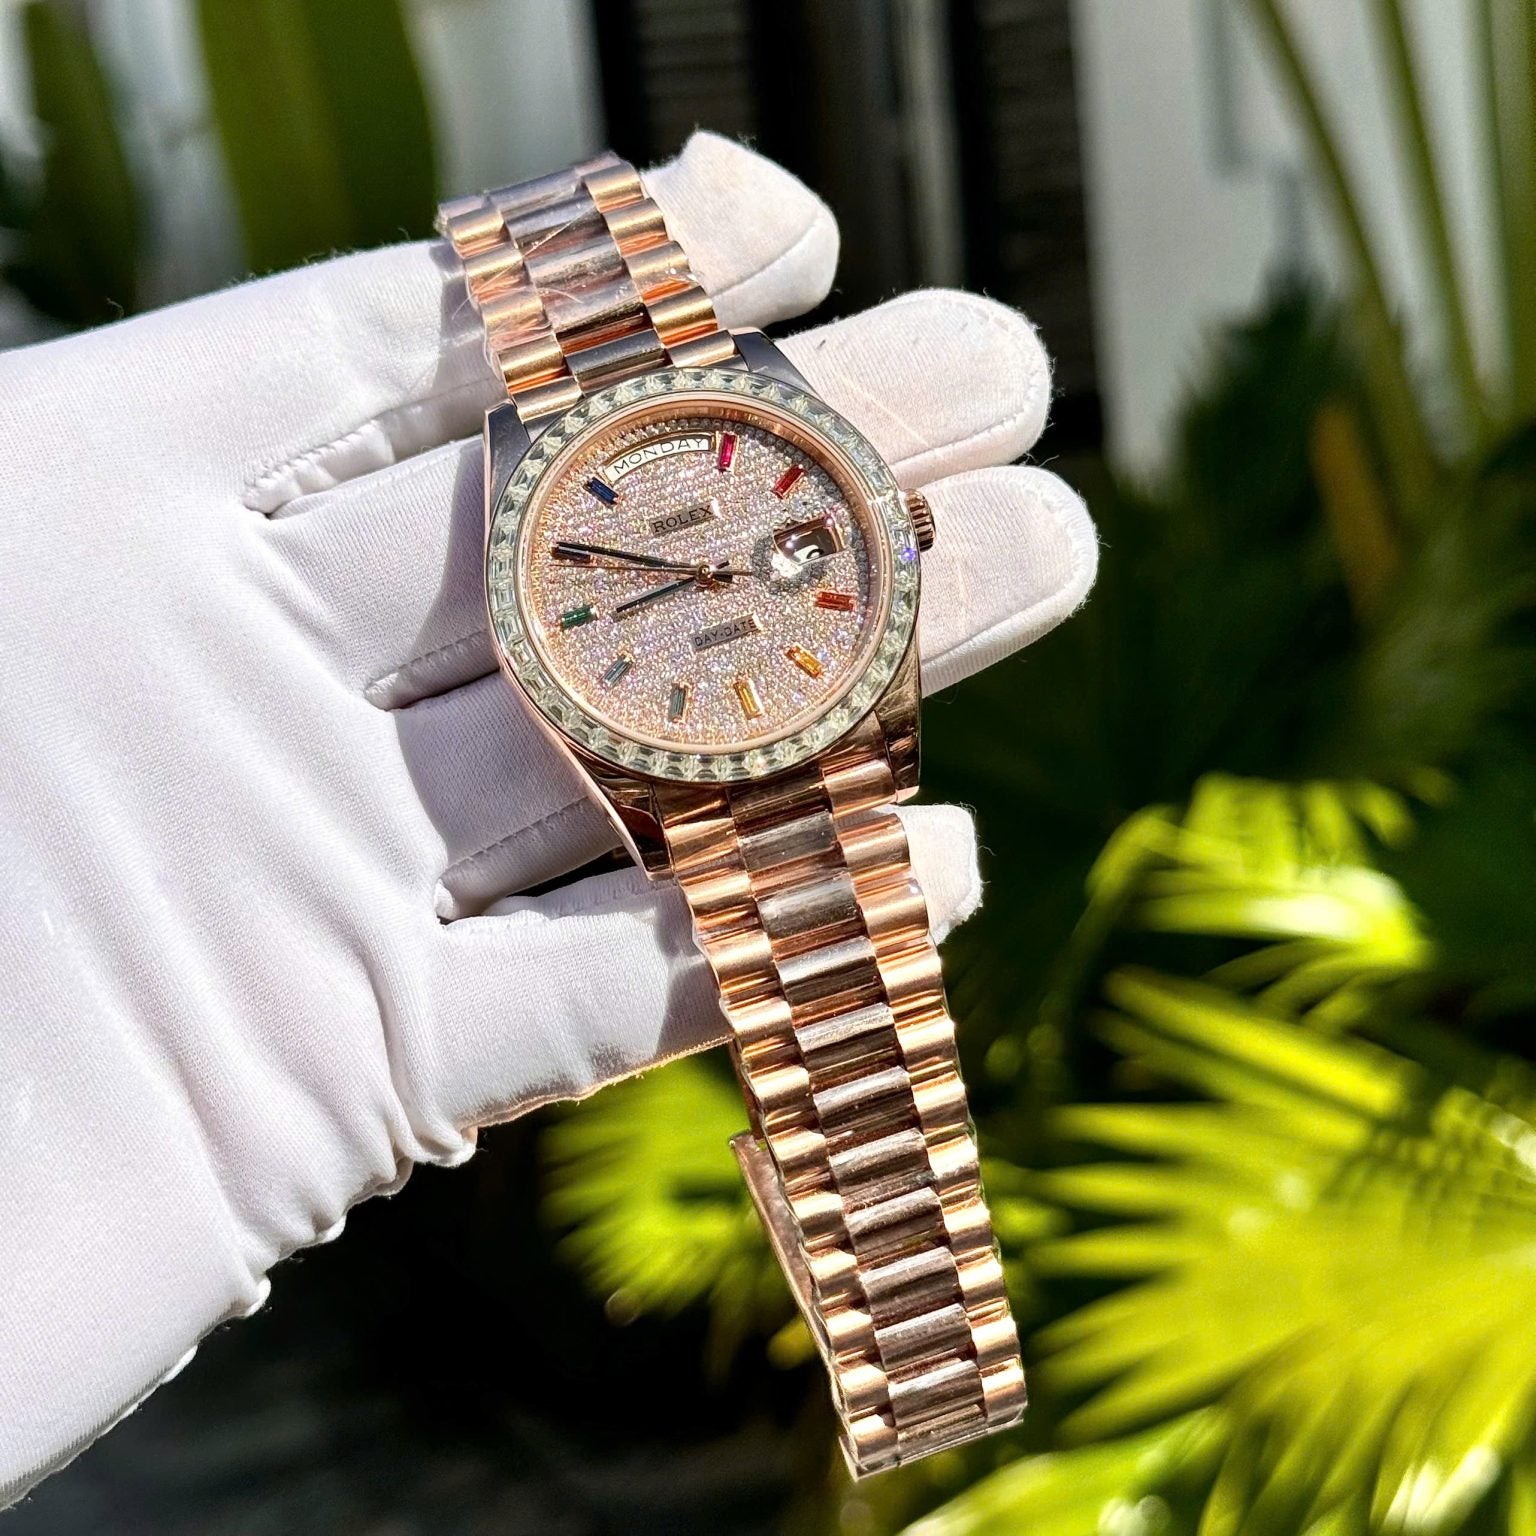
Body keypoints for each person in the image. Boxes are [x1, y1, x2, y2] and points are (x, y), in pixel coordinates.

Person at [0, 132, 1096, 1501]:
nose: (703, 574)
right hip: (707, 703)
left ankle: (927, 1367)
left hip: (764, 701)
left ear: (892, 532)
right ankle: (926, 1369)